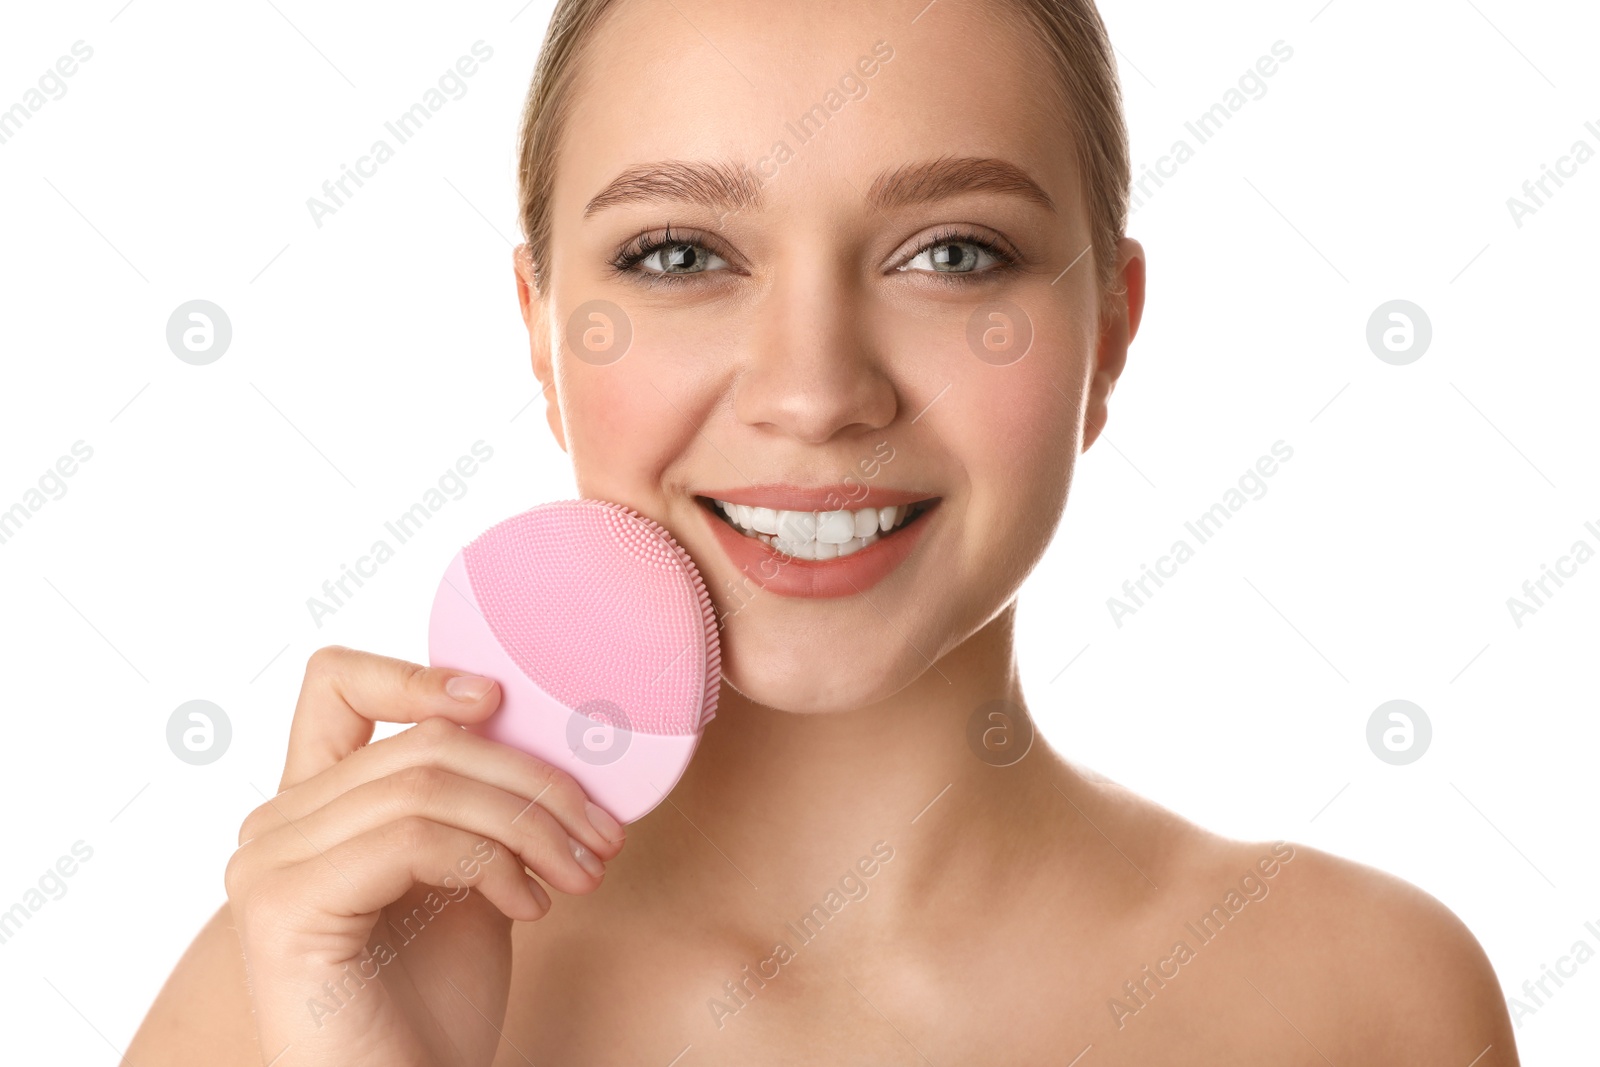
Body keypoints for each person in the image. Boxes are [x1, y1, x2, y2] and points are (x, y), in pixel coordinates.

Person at [128, 0, 1520, 1062]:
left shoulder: (1364, 1002)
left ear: (1110, 335)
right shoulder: (298, 984)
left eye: (951, 253)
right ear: (541, 341)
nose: (815, 392)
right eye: (679, 255)